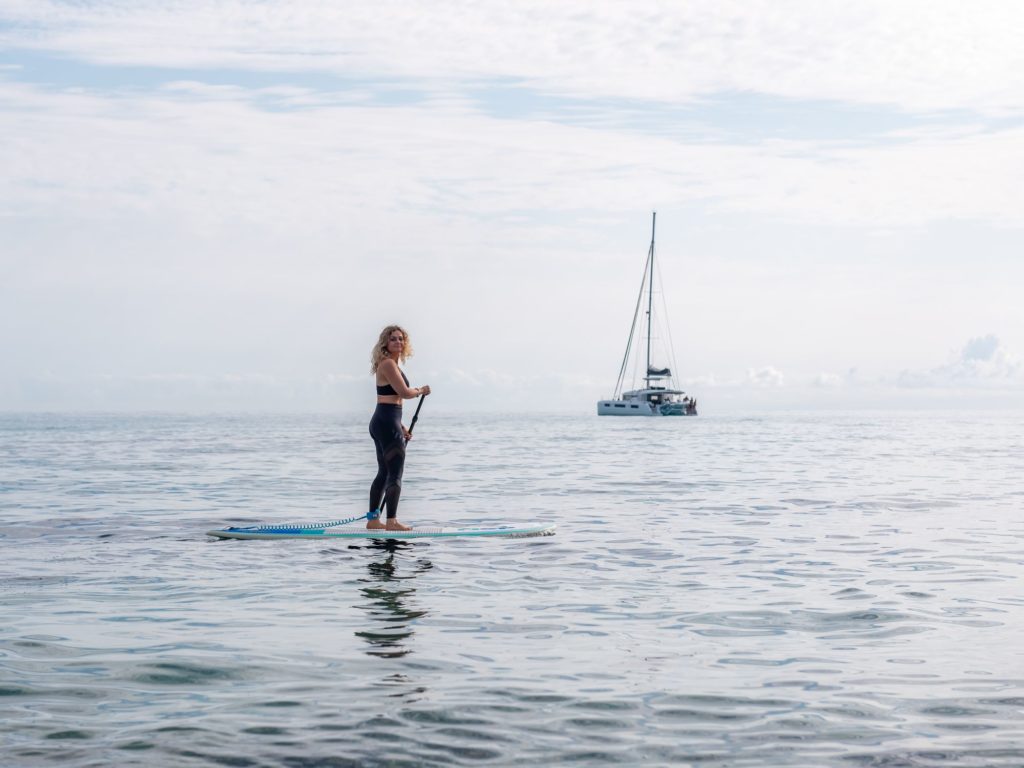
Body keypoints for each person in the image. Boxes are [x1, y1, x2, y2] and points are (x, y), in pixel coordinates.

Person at [368, 325, 431, 531]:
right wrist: (421, 390)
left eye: (401, 339)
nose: (398, 342)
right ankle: (392, 521)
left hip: (385, 420)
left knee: (384, 472)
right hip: (386, 422)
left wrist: (401, 426)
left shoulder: (390, 364)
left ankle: (373, 520)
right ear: (385, 342)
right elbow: (404, 393)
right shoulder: (387, 364)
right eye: (393, 339)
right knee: (395, 473)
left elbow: (392, 400)